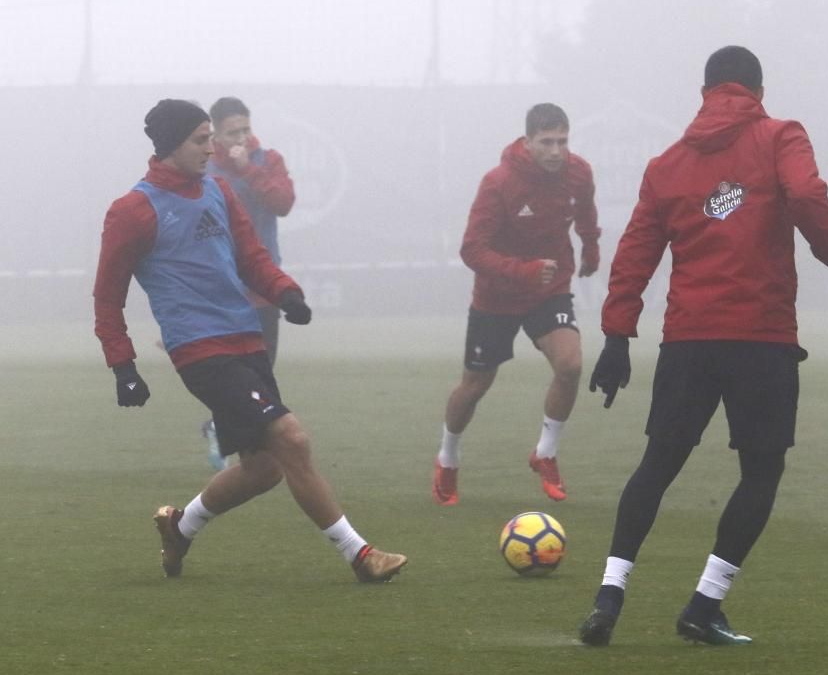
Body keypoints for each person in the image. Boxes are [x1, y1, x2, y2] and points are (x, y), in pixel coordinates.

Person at [577, 47, 828, 646]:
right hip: (760, 339)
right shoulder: (779, 136)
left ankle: (610, 594)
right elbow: (807, 197)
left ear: (705, 89)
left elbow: (636, 252)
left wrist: (616, 335)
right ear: (758, 89)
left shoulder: (668, 163)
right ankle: (703, 604)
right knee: (761, 471)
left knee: (657, 466)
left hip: (688, 339)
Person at [93, 98, 407, 583]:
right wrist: (123, 367)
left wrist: (286, 293)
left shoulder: (218, 190)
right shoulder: (133, 210)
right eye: (201, 139)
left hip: (247, 340)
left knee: (264, 469)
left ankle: (182, 526)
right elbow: (107, 297)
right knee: (292, 439)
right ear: (174, 144)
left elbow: (251, 256)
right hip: (201, 352)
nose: (213, 147)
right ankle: (360, 554)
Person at [432, 103, 601, 505]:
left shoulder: (579, 171)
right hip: (497, 295)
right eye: (547, 142)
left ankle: (545, 453)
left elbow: (586, 211)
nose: (557, 151)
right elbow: (472, 250)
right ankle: (448, 458)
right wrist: (522, 271)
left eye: (562, 141)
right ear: (527, 143)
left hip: (550, 288)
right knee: (475, 386)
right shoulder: (499, 182)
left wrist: (591, 247)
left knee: (571, 365)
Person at [200, 96, 296, 471]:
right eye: (232, 132)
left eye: (245, 129)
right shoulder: (206, 170)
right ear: (216, 136)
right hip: (222, 287)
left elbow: (283, 202)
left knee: (262, 371)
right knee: (229, 372)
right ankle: (247, 448)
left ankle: (224, 431)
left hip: (263, 285)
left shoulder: (267, 161)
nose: (241, 137)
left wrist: (248, 169)